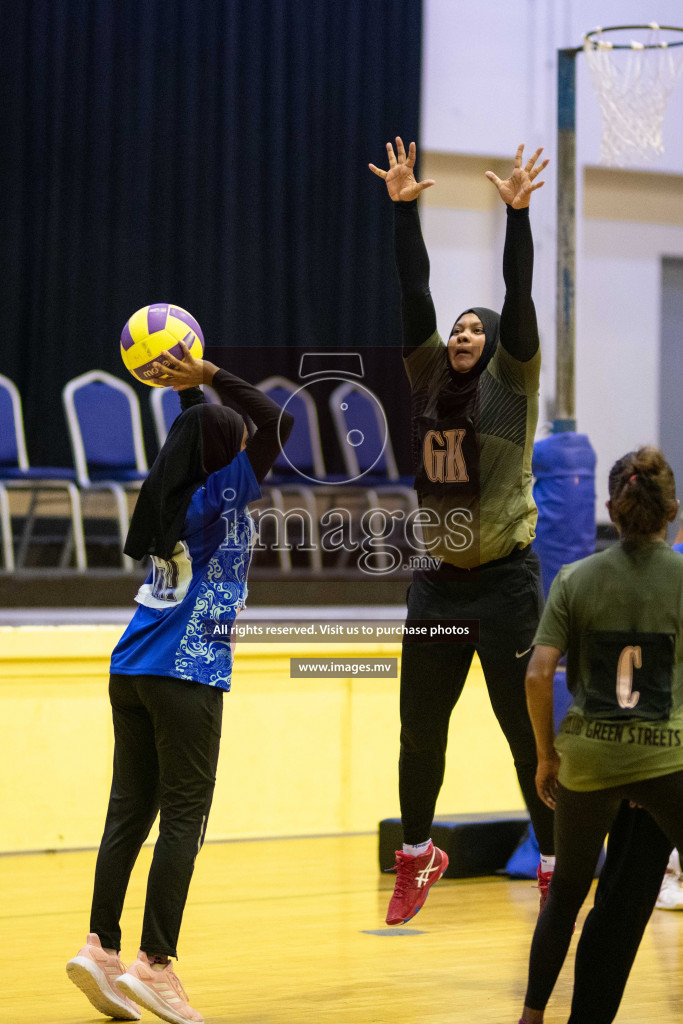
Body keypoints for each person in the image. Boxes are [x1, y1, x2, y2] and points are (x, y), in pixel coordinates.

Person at [66, 340, 293, 1024]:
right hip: (186, 670)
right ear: (227, 455)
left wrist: (188, 395)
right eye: (238, 440)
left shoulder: (172, 495)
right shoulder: (222, 497)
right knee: (184, 820)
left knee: (128, 812)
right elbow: (276, 422)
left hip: (130, 664)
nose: (250, 441)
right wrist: (213, 374)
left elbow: (204, 436)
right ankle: (154, 964)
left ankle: (100, 947)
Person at [369, 138, 555, 925]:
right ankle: (417, 857)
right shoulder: (424, 384)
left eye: (474, 327)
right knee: (419, 734)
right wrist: (404, 210)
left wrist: (516, 217)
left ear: (496, 341)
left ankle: (554, 866)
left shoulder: (512, 385)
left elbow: (517, 291)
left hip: (507, 586)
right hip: (438, 586)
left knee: (524, 738)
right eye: (455, 329)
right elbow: (415, 292)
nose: (459, 332)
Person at [519, 445, 683, 1024]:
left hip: (587, 759)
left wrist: (546, 756)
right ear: (673, 511)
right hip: (666, 761)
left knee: (565, 893)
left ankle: (532, 1014)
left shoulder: (575, 577)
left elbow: (538, 676)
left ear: (611, 508)